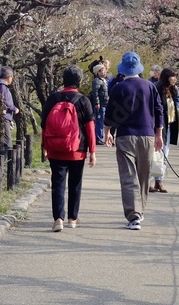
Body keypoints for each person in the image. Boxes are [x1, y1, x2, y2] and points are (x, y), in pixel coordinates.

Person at [104, 51, 164, 230]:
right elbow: (159, 109)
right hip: (147, 135)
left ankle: (134, 216)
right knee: (143, 175)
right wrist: (159, 134)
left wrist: (108, 132)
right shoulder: (149, 86)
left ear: (123, 69)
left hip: (125, 135)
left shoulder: (118, 87)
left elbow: (110, 112)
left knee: (128, 176)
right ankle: (141, 211)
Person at [41, 64, 96, 231]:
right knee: (75, 183)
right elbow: (90, 129)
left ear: (63, 80)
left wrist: (44, 146)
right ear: (79, 81)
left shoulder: (53, 98)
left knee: (58, 183)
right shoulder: (84, 101)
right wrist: (92, 151)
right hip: (77, 150)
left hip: (56, 149)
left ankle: (58, 219)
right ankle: (73, 218)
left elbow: (44, 125)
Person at [150, 68, 179, 193]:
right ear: (167, 77)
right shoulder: (157, 89)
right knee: (154, 154)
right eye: (173, 76)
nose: (175, 79)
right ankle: (148, 181)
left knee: (164, 155)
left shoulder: (173, 90)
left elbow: (175, 106)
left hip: (168, 126)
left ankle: (159, 181)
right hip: (158, 126)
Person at [0, 65, 19, 152]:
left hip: (6, 117)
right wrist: (14, 109)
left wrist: (10, 119)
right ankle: (2, 164)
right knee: (7, 143)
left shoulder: (1, 86)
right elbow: (5, 101)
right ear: (9, 77)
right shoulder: (2, 86)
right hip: (4, 117)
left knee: (6, 142)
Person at [89, 62, 109, 144]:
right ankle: (98, 138)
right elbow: (95, 92)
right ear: (98, 72)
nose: (104, 72)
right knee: (99, 121)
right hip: (100, 104)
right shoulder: (97, 81)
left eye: (104, 70)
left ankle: (100, 137)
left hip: (104, 103)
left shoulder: (104, 80)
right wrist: (97, 103)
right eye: (102, 70)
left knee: (102, 121)